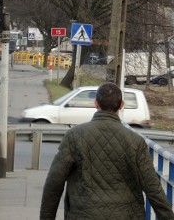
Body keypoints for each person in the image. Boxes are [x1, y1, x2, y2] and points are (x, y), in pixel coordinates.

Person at [40, 82, 174, 220]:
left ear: (96, 104)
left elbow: (54, 183)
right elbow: (152, 187)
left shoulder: (74, 136)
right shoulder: (136, 142)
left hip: (83, 214)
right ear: (122, 105)